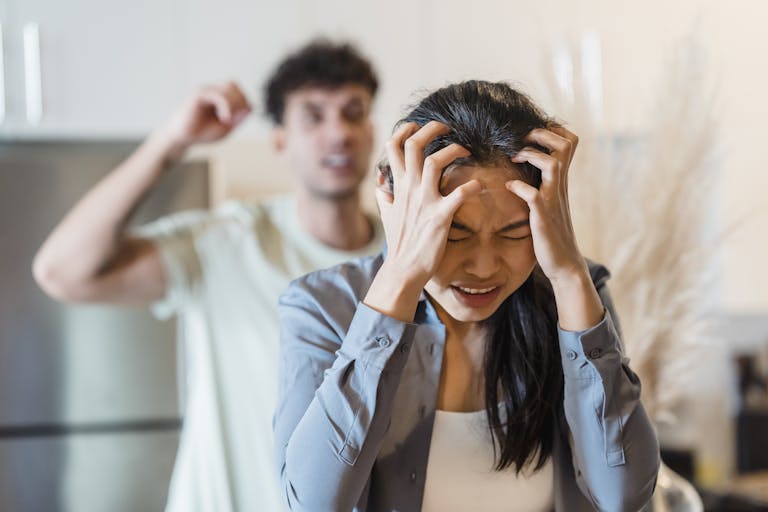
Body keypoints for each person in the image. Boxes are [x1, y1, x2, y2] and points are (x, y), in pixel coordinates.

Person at [274, 80, 661, 511]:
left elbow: (623, 495)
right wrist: (401, 273)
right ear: (397, 206)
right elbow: (312, 503)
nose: (483, 266)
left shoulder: (574, 297)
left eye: (514, 233)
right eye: (453, 234)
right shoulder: (322, 307)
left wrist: (570, 276)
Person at [32, 41, 384, 511]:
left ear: (371, 130)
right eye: (314, 116)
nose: (339, 132)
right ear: (279, 139)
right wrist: (172, 141)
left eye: (353, 112)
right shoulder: (228, 243)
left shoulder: (402, 259)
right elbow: (61, 272)